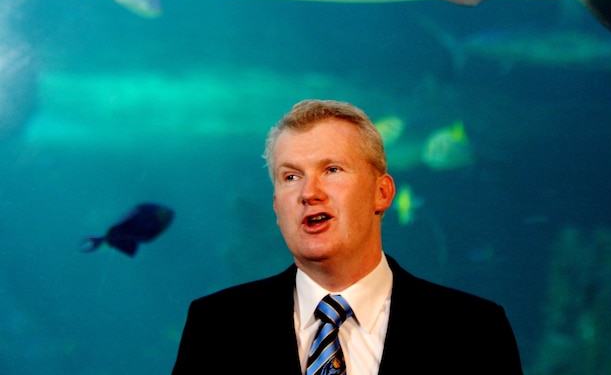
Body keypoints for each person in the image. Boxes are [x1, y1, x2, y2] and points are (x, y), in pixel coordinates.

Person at [172, 99, 523, 374]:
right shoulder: (214, 327)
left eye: (332, 170)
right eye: (290, 177)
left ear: (382, 193)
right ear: (276, 206)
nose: (309, 192)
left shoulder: (476, 331)